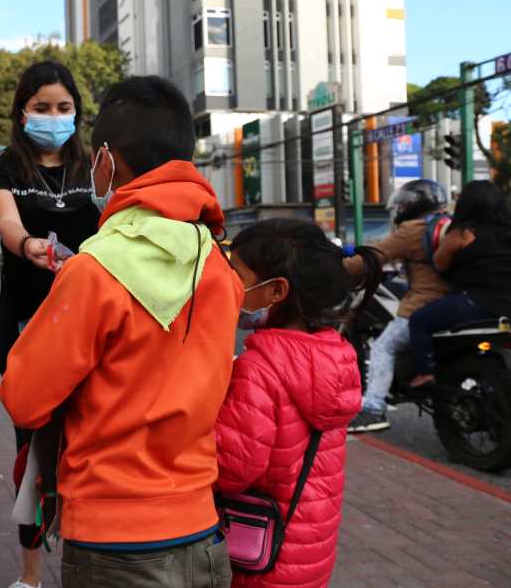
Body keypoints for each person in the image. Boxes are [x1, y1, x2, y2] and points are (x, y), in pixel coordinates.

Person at [0, 76, 242, 588]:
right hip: (203, 531)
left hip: (113, 541)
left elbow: (23, 398)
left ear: (106, 160)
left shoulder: (93, 272)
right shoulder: (219, 267)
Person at [0, 60, 99, 588]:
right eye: (42, 107)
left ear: (77, 112)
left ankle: (81, 558)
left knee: (88, 451)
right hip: (28, 333)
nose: (54, 117)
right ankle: (30, 577)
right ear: (22, 111)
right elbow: (5, 218)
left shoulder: (95, 167)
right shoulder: (5, 166)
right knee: (32, 456)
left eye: (64, 108)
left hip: (90, 329)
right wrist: (26, 242)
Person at [216, 219, 383, 588]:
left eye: (236, 275)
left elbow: (231, 469)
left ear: (276, 290)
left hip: (261, 562)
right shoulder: (333, 356)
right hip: (307, 554)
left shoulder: (259, 368)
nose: (227, 284)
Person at [345, 179, 449, 433]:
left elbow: (376, 255)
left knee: (383, 347)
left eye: (403, 205)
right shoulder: (449, 224)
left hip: (424, 303)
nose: (400, 210)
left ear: (414, 206)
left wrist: (341, 268)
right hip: (456, 304)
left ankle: (372, 409)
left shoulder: (413, 229)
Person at [408, 180, 511, 386]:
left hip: (477, 303)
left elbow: (439, 264)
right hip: (507, 306)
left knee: (418, 321)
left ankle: (425, 372)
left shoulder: (463, 233)